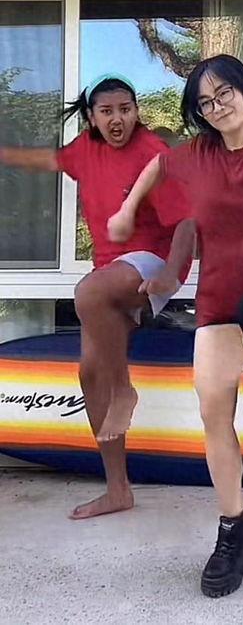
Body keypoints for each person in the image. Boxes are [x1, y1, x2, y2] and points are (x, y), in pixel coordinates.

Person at [107, 54, 243, 598]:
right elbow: (157, 167)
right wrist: (128, 210)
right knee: (212, 412)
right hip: (219, 296)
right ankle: (235, 532)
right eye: (205, 102)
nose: (217, 106)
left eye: (224, 93)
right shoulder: (197, 154)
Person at [0, 73, 194, 520]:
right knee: (90, 373)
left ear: (137, 111)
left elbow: (187, 221)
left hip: (152, 263)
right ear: (92, 117)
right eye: (107, 112)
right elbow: (43, 160)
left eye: (125, 109)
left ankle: (124, 390)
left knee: (87, 291)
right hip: (110, 273)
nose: (117, 119)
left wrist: (169, 274)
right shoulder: (84, 151)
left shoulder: (152, 153)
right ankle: (117, 489)